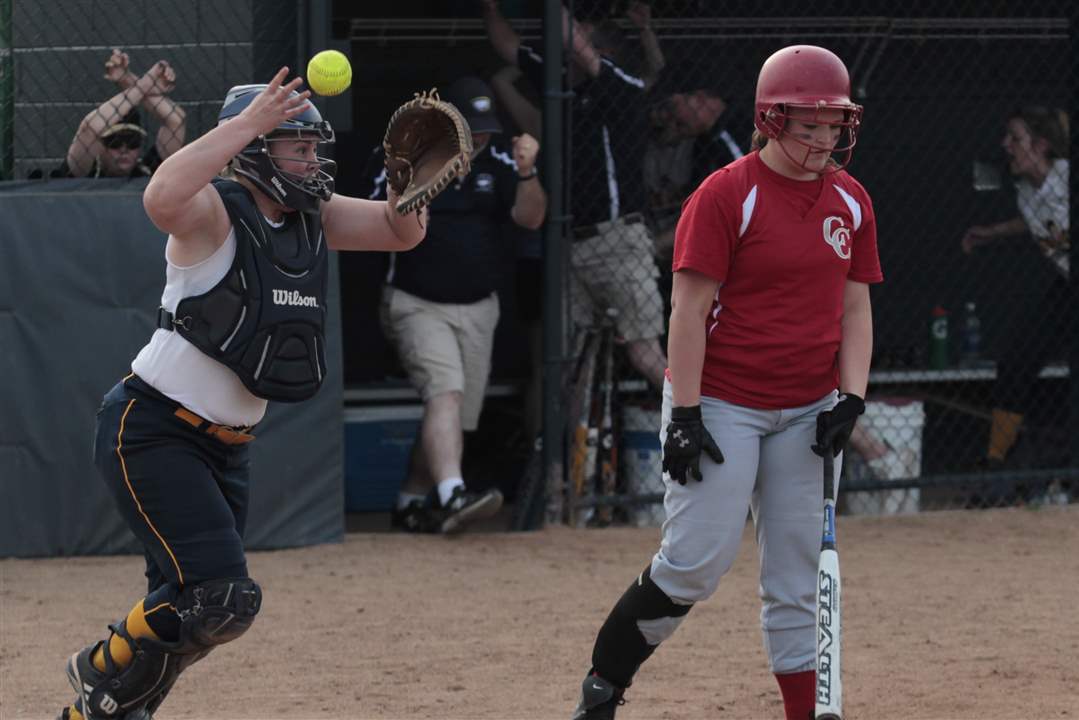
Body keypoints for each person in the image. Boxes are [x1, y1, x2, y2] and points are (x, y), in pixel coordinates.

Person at [57, 68, 428, 720]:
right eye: (297, 145)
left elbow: (401, 232)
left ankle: (102, 709)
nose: (312, 159)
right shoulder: (211, 210)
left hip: (226, 447)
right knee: (222, 596)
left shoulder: (312, 217)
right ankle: (101, 665)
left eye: (316, 147)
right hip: (152, 430)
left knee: (191, 613)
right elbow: (159, 196)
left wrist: (411, 185)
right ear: (254, 146)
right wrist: (244, 126)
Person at [570, 45, 882, 720]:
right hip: (720, 403)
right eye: (809, 125)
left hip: (807, 405)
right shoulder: (725, 194)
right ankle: (602, 687)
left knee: (798, 574)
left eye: (834, 125)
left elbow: (854, 305)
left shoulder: (850, 201)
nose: (824, 139)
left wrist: (850, 397)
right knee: (693, 564)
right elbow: (686, 309)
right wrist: (685, 411)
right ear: (771, 119)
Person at [360, 76, 547, 533]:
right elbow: (368, 213)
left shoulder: (500, 159)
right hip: (417, 303)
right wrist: (427, 179)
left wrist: (527, 172)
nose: (479, 138)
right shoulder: (411, 156)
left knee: (454, 415)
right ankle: (452, 494)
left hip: (480, 307)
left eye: (485, 129)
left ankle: (410, 500)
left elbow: (531, 218)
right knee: (444, 391)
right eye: (471, 129)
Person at [482, 0, 669, 391]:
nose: (567, 49)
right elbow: (507, 47)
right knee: (569, 362)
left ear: (603, 52)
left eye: (579, 41)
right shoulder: (561, 86)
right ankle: (564, 453)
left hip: (617, 240)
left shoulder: (620, 86)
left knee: (643, 351)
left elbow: (576, 45)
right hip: (568, 244)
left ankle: (693, 428)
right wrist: (490, 6)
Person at [960, 106, 1070, 470]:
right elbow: (1036, 219)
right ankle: (996, 459)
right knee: (1016, 361)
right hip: (1067, 285)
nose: (1006, 145)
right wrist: (990, 233)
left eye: (1015, 138)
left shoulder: (1068, 178)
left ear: (1040, 146)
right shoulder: (1027, 190)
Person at [60, 49, 187, 179]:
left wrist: (126, 79)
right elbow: (89, 129)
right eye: (114, 142)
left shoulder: (148, 170)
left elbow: (176, 121)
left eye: (132, 142)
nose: (124, 150)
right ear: (99, 146)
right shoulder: (85, 170)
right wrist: (146, 85)